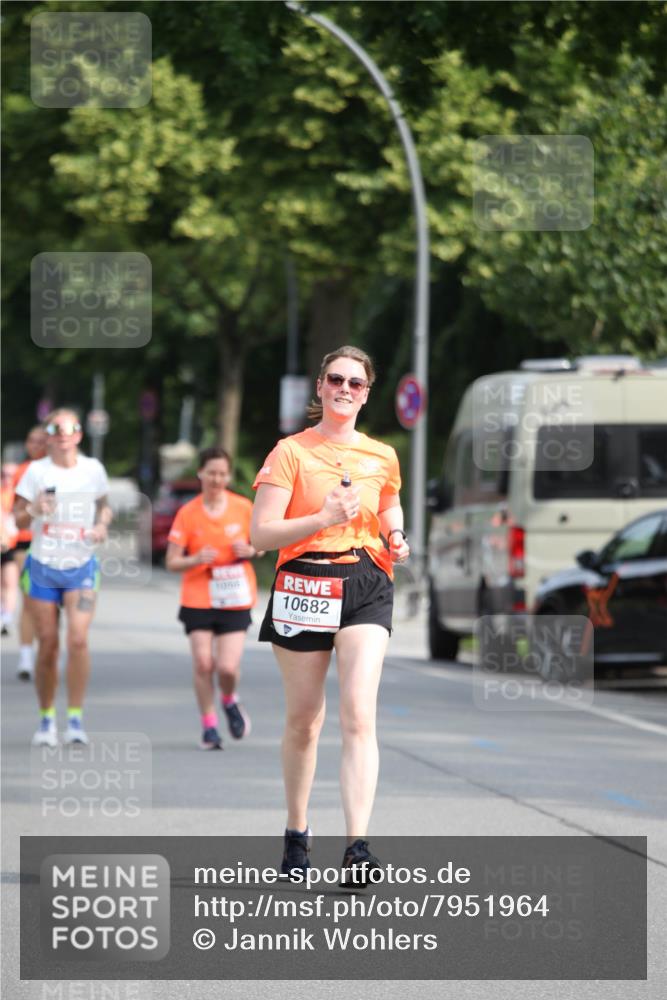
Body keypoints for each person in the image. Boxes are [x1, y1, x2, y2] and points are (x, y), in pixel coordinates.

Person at [251, 345, 410, 884]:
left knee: (359, 714)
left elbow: (388, 502)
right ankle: (297, 831)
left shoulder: (382, 455)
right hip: (305, 581)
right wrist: (321, 517)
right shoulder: (290, 452)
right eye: (336, 380)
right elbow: (261, 534)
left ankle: (357, 848)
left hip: (367, 581)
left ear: (366, 394)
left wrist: (395, 534)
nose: (345, 389)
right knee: (305, 721)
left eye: (355, 383)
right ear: (320, 387)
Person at [13, 410, 112, 747]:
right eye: (56, 428)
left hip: (81, 565)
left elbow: (104, 506)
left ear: (79, 434)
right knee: (48, 644)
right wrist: (34, 510)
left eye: (70, 428)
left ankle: (74, 718)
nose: (63, 434)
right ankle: (46, 719)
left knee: (78, 639)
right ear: (49, 434)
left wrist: (101, 525)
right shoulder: (36, 471)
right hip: (43, 565)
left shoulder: (93, 469)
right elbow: (17, 519)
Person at [166, 447, 261, 750]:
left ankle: (229, 699)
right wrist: (195, 559)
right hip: (198, 597)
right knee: (203, 663)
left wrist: (252, 550)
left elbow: (263, 543)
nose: (217, 479)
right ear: (201, 474)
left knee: (227, 668)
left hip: (235, 596)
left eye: (222, 474)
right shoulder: (188, 512)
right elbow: (171, 561)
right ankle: (209, 726)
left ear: (228, 476)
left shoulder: (243, 508)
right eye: (211, 473)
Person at [12, 426, 48, 678]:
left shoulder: (62, 471)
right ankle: (26, 658)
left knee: (51, 606)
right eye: (31, 440)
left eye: (40, 441)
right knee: (29, 598)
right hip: (25, 541)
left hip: (55, 544)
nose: (35, 445)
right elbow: (12, 507)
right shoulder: (23, 471)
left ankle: (49, 651)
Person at [1, 462, 20, 636]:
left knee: (10, 582)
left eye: (11, 475)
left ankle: (6, 617)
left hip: (12, 545)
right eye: (3, 475)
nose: (6, 479)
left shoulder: (20, 495)